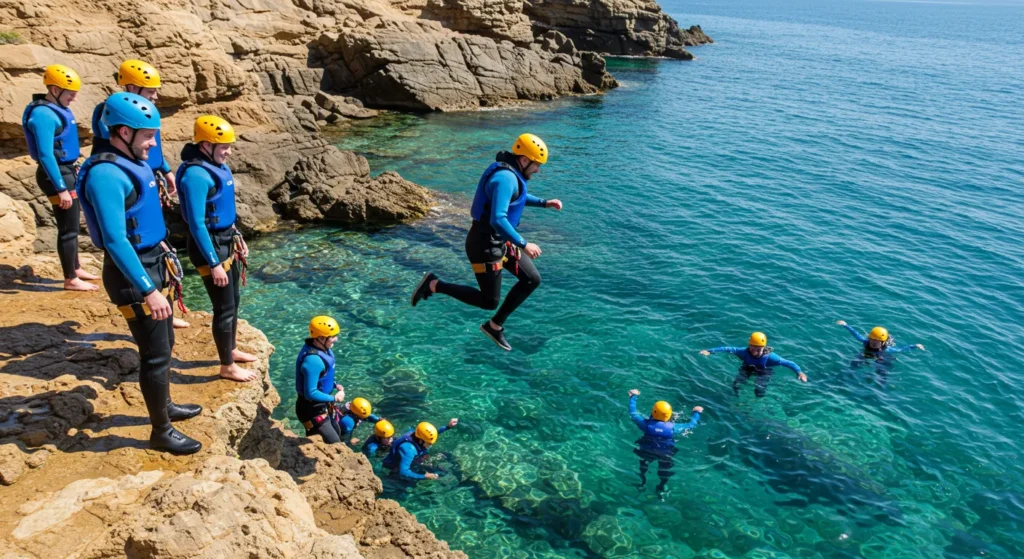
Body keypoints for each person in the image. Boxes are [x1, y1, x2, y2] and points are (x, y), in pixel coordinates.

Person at [77, 92, 202, 454]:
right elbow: (115, 241)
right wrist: (149, 289)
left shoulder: (130, 160)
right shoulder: (106, 174)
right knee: (155, 354)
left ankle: (165, 406)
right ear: (120, 132)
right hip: (131, 277)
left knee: (166, 344)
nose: (153, 143)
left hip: (150, 263)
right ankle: (160, 431)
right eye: (147, 136)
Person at [410, 134, 563, 351]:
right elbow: (498, 218)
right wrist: (523, 243)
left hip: (499, 240)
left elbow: (517, 196)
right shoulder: (505, 178)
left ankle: (494, 326)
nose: (538, 170)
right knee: (488, 301)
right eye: (537, 165)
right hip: (484, 245)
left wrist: (544, 203)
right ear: (525, 160)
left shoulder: (511, 175)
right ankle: (434, 284)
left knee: (532, 279)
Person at [91, 60, 189, 328]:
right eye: (150, 90)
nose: (156, 95)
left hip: (147, 174)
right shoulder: (113, 113)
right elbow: (116, 153)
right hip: (130, 180)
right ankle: (152, 298)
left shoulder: (144, 114)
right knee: (139, 234)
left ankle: (167, 304)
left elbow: (151, 148)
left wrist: (166, 171)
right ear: (132, 86)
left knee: (158, 234)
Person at [176, 116, 257, 381]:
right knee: (223, 308)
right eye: (223, 146)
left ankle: (231, 350)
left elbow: (219, 210)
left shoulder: (215, 166)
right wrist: (213, 263)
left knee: (233, 301)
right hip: (208, 246)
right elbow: (197, 223)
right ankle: (226, 366)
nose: (229, 151)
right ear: (206, 145)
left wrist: (234, 234)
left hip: (225, 240)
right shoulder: (196, 175)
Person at [21, 64, 99, 292]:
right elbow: (45, 155)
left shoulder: (55, 108)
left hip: (66, 171)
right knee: (68, 228)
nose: (73, 98)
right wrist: (61, 188)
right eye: (70, 93)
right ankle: (69, 279)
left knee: (73, 222)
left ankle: (76, 268)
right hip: (55, 176)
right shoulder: (43, 115)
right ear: (54, 89)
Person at [627, 389, 703, 498]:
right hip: (665, 454)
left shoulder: (645, 425)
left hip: (646, 450)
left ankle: (642, 482)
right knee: (664, 471)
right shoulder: (674, 428)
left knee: (643, 464)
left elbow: (633, 412)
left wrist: (634, 396)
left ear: (653, 412)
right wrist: (696, 412)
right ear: (670, 414)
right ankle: (661, 488)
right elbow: (691, 425)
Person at [700, 332, 808, 397]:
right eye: (752, 348)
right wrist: (710, 351)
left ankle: (757, 401)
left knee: (759, 391)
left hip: (763, 371)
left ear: (764, 348)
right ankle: (737, 399)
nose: (754, 351)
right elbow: (727, 349)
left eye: (758, 349)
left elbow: (788, 363)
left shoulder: (771, 357)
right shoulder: (744, 352)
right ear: (749, 345)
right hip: (747, 368)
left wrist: (800, 372)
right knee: (736, 385)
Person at [295, 316, 348, 443]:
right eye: (332, 336)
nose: (336, 339)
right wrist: (334, 398)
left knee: (337, 432)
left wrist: (334, 385)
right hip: (311, 410)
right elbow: (311, 392)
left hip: (322, 405)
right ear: (320, 338)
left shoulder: (323, 350)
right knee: (334, 444)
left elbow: (322, 378)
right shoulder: (313, 360)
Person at [383, 419, 459, 480]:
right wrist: (424, 476)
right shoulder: (409, 450)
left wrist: (448, 427)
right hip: (396, 466)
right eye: (429, 443)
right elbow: (404, 471)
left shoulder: (417, 434)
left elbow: (432, 434)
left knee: (442, 460)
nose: (431, 445)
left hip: (412, 458)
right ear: (420, 440)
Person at [836, 321, 925, 355]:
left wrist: (915, 346)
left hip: (880, 356)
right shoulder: (865, 342)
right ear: (869, 338)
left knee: (882, 368)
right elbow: (855, 334)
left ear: (883, 343)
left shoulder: (887, 349)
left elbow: (901, 349)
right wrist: (845, 325)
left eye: (876, 342)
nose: (873, 343)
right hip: (867, 353)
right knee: (857, 359)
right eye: (872, 341)